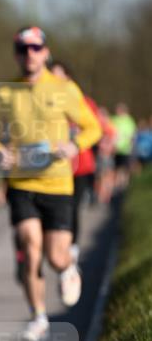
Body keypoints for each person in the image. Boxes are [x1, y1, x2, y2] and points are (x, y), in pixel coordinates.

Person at [0, 27, 102, 341]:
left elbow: (92, 127)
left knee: (54, 256)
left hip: (57, 184)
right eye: (23, 49)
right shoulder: (5, 93)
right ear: (16, 54)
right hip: (21, 182)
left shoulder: (65, 89)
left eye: (35, 48)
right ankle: (38, 316)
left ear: (45, 52)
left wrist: (74, 145)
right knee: (30, 246)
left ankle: (67, 268)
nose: (29, 54)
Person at [49, 61, 100, 260]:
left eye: (59, 77)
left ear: (69, 79)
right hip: (52, 168)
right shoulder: (43, 100)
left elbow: (95, 129)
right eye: (51, 77)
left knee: (73, 206)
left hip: (80, 165)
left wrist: (75, 143)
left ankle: (73, 248)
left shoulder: (83, 102)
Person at [111, 102, 137, 189]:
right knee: (114, 169)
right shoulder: (113, 119)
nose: (117, 111)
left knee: (123, 169)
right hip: (113, 150)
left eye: (119, 110)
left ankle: (122, 188)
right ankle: (115, 187)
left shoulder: (129, 121)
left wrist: (131, 147)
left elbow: (132, 136)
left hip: (125, 150)